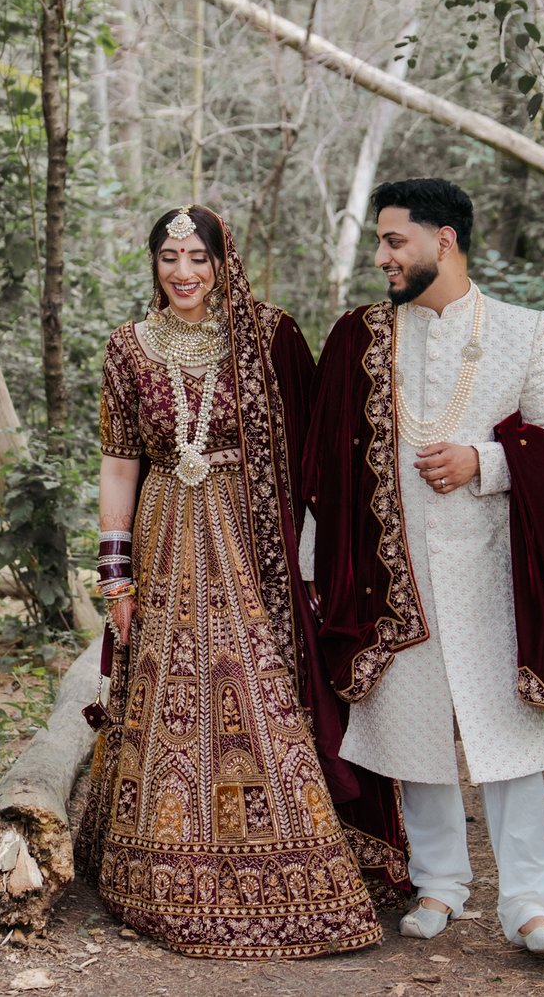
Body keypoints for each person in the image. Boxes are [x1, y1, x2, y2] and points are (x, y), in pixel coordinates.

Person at [74, 205, 403, 960]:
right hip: (163, 533)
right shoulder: (127, 349)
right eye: (168, 258)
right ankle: (156, 870)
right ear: (152, 264)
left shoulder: (268, 337)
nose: (183, 272)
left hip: (248, 537)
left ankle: (297, 871)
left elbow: (321, 444)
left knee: (256, 687)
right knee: (165, 690)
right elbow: (120, 463)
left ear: (223, 261)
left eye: (196, 256)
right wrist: (115, 576)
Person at [303, 178, 544, 958]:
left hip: (495, 576)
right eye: (380, 242)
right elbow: (325, 465)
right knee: (412, 728)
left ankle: (530, 902)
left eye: (395, 240)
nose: (382, 256)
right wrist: (310, 568)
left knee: (509, 738)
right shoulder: (360, 336)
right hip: (387, 574)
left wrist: (485, 460)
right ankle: (439, 881)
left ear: (444, 240)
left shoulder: (520, 330)